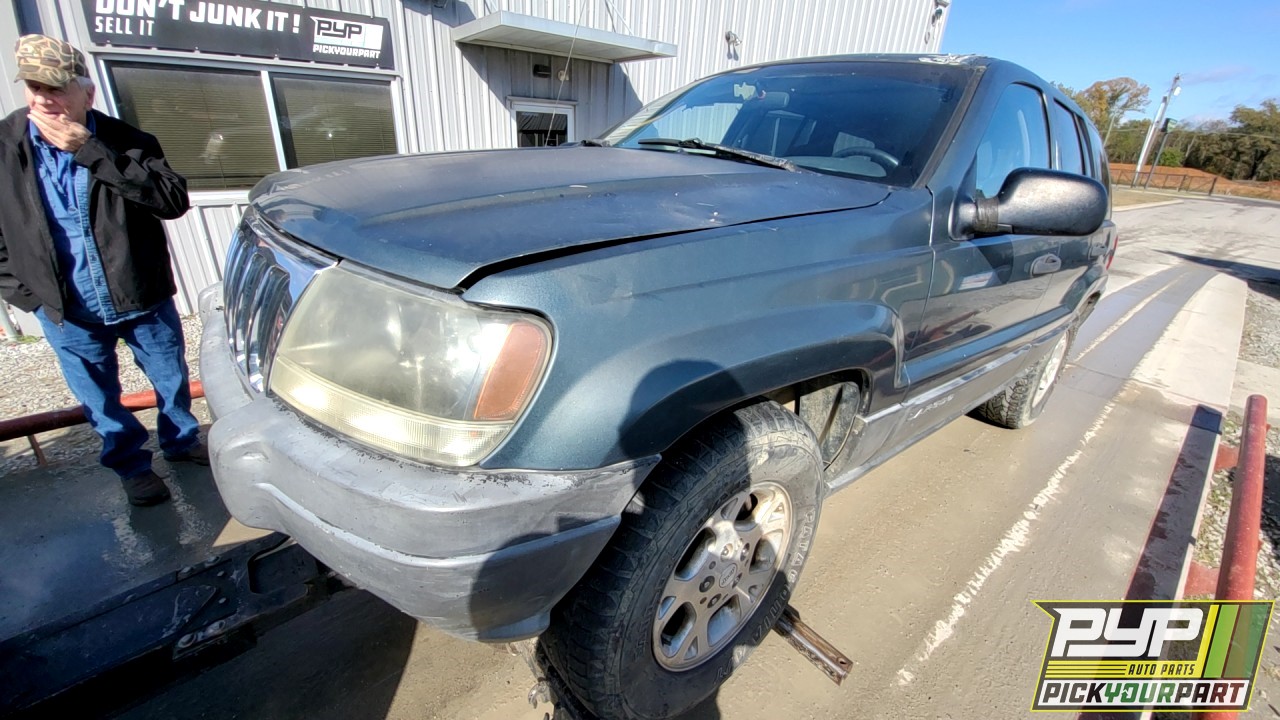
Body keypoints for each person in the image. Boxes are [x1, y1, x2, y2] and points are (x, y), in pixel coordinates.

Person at [0, 35, 204, 506]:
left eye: (55, 87)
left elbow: (171, 201)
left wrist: (94, 152)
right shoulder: (5, 148)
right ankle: (132, 467)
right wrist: (26, 294)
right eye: (34, 87)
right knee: (99, 397)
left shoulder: (127, 142)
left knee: (170, 378)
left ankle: (180, 443)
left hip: (140, 295)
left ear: (86, 93)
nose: (44, 98)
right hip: (67, 307)